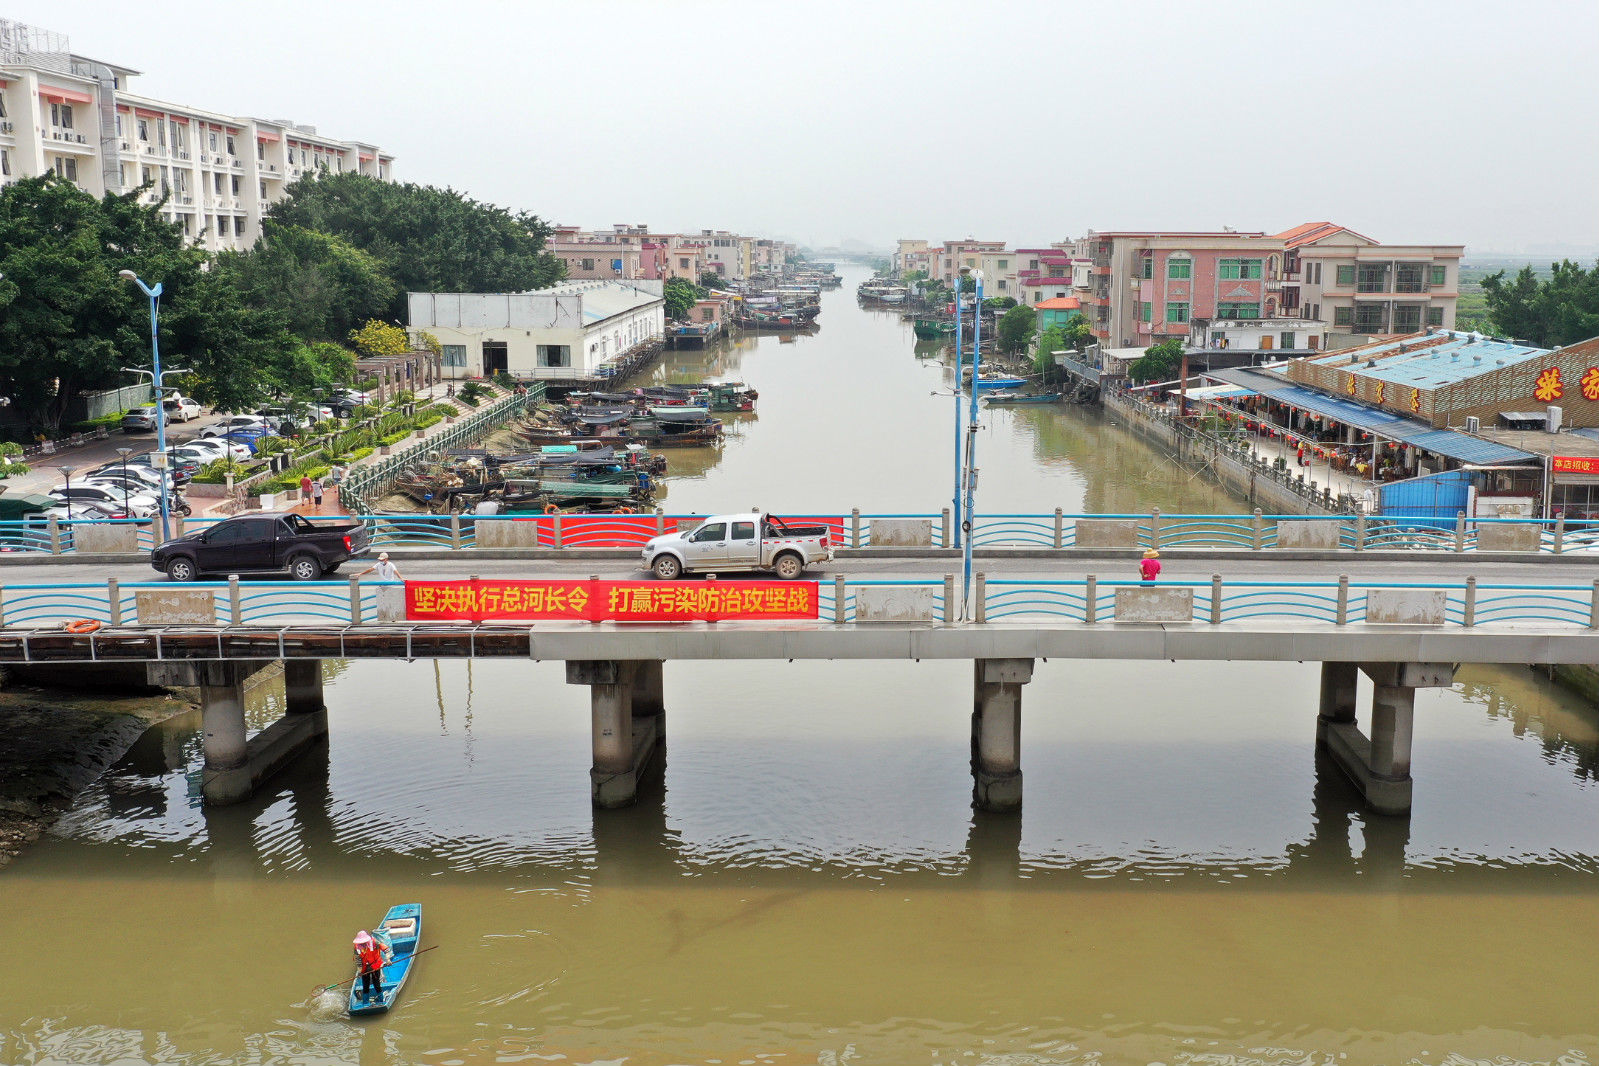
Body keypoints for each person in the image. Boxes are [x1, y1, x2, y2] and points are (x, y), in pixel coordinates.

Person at [353, 931, 385, 1003]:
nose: (362, 944)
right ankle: (365, 1003)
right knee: (365, 986)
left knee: (377, 984)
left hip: (375, 966)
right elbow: (358, 960)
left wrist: (388, 959)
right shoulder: (356, 947)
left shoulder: (374, 942)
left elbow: (385, 948)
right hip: (365, 968)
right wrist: (360, 971)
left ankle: (381, 1001)